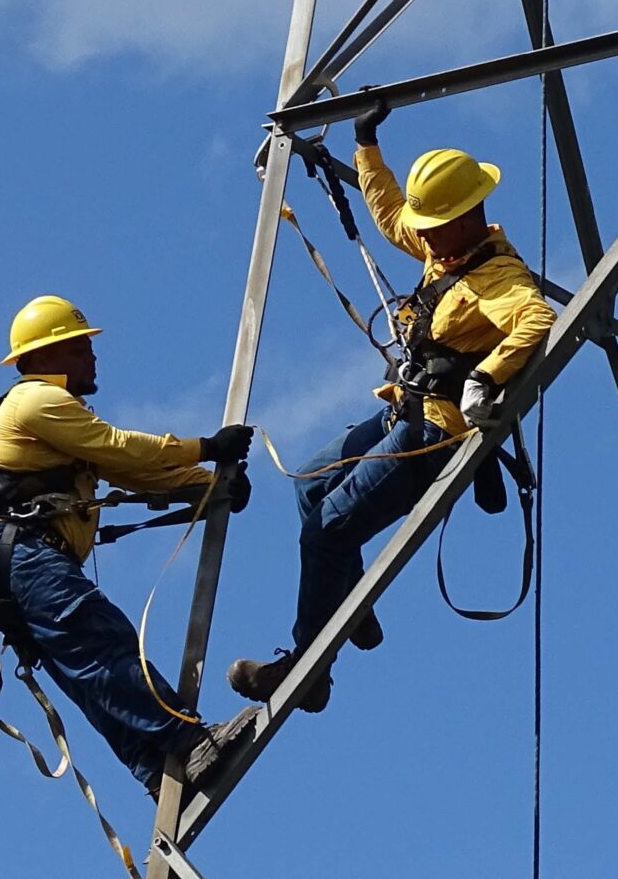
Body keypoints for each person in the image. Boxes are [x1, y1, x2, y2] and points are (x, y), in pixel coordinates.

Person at [226, 97, 555, 711]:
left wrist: (487, 377)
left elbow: (537, 319)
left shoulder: (498, 279)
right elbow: (389, 215)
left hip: (434, 434)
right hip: (406, 409)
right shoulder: (444, 248)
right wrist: (365, 145)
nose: (422, 234)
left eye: (435, 224)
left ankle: (308, 668)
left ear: (467, 216)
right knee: (308, 489)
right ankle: (351, 607)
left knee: (325, 533)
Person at [0, 295, 257, 795]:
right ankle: (186, 743)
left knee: (87, 671)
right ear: (48, 355)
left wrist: (206, 484)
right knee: (103, 640)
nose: (92, 358)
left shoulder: (50, 419)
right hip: (13, 551)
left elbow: (131, 471)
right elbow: (118, 446)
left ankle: (158, 771)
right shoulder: (36, 400)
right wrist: (207, 448)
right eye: (79, 347)